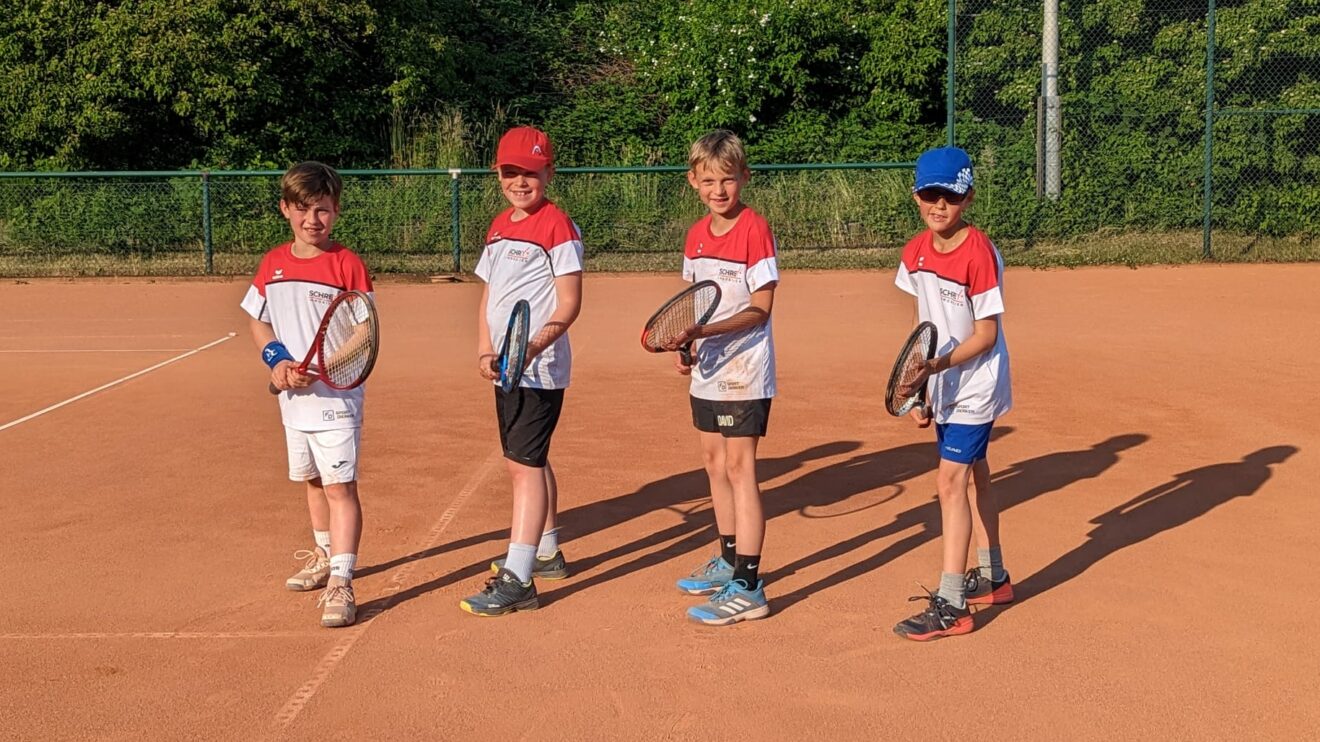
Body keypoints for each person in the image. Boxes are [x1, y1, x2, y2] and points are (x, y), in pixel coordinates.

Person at [240, 161, 373, 629]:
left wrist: (323, 367)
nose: (312, 220)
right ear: (285, 210)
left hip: (336, 399)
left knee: (340, 488)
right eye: (302, 210)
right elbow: (258, 320)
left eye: (322, 210)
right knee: (313, 481)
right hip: (291, 400)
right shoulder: (272, 264)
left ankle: (342, 579)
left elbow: (365, 332)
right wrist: (276, 361)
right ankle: (323, 555)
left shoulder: (347, 263)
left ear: (336, 211)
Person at [460, 126, 584, 616]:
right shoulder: (498, 225)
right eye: (510, 172)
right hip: (506, 364)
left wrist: (530, 348)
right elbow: (489, 295)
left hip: (539, 367)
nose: (520, 181)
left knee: (523, 466)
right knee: (531, 458)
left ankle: (519, 579)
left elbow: (570, 303)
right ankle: (547, 552)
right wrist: (485, 348)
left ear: (548, 174)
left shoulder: (558, 226)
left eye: (530, 173)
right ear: (498, 174)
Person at [891, 146, 1013, 641]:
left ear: (968, 198)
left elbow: (985, 334)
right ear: (916, 195)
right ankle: (993, 577)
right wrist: (920, 385)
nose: (940, 205)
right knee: (977, 476)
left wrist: (937, 366)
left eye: (951, 196)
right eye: (930, 194)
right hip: (943, 382)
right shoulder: (915, 252)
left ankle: (952, 604)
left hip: (976, 383)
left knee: (949, 483)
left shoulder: (978, 252)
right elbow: (923, 325)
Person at [666, 129, 779, 626]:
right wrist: (689, 342)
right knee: (713, 461)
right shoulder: (694, 235)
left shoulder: (755, 229)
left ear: (743, 178)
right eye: (709, 180)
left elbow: (761, 307)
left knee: (740, 468)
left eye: (728, 180)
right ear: (693, 181)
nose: (719, 190)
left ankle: (750, 586)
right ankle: (728, 559)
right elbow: (693, 297)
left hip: (745, 370)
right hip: (709, 367)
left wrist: (704, 330)